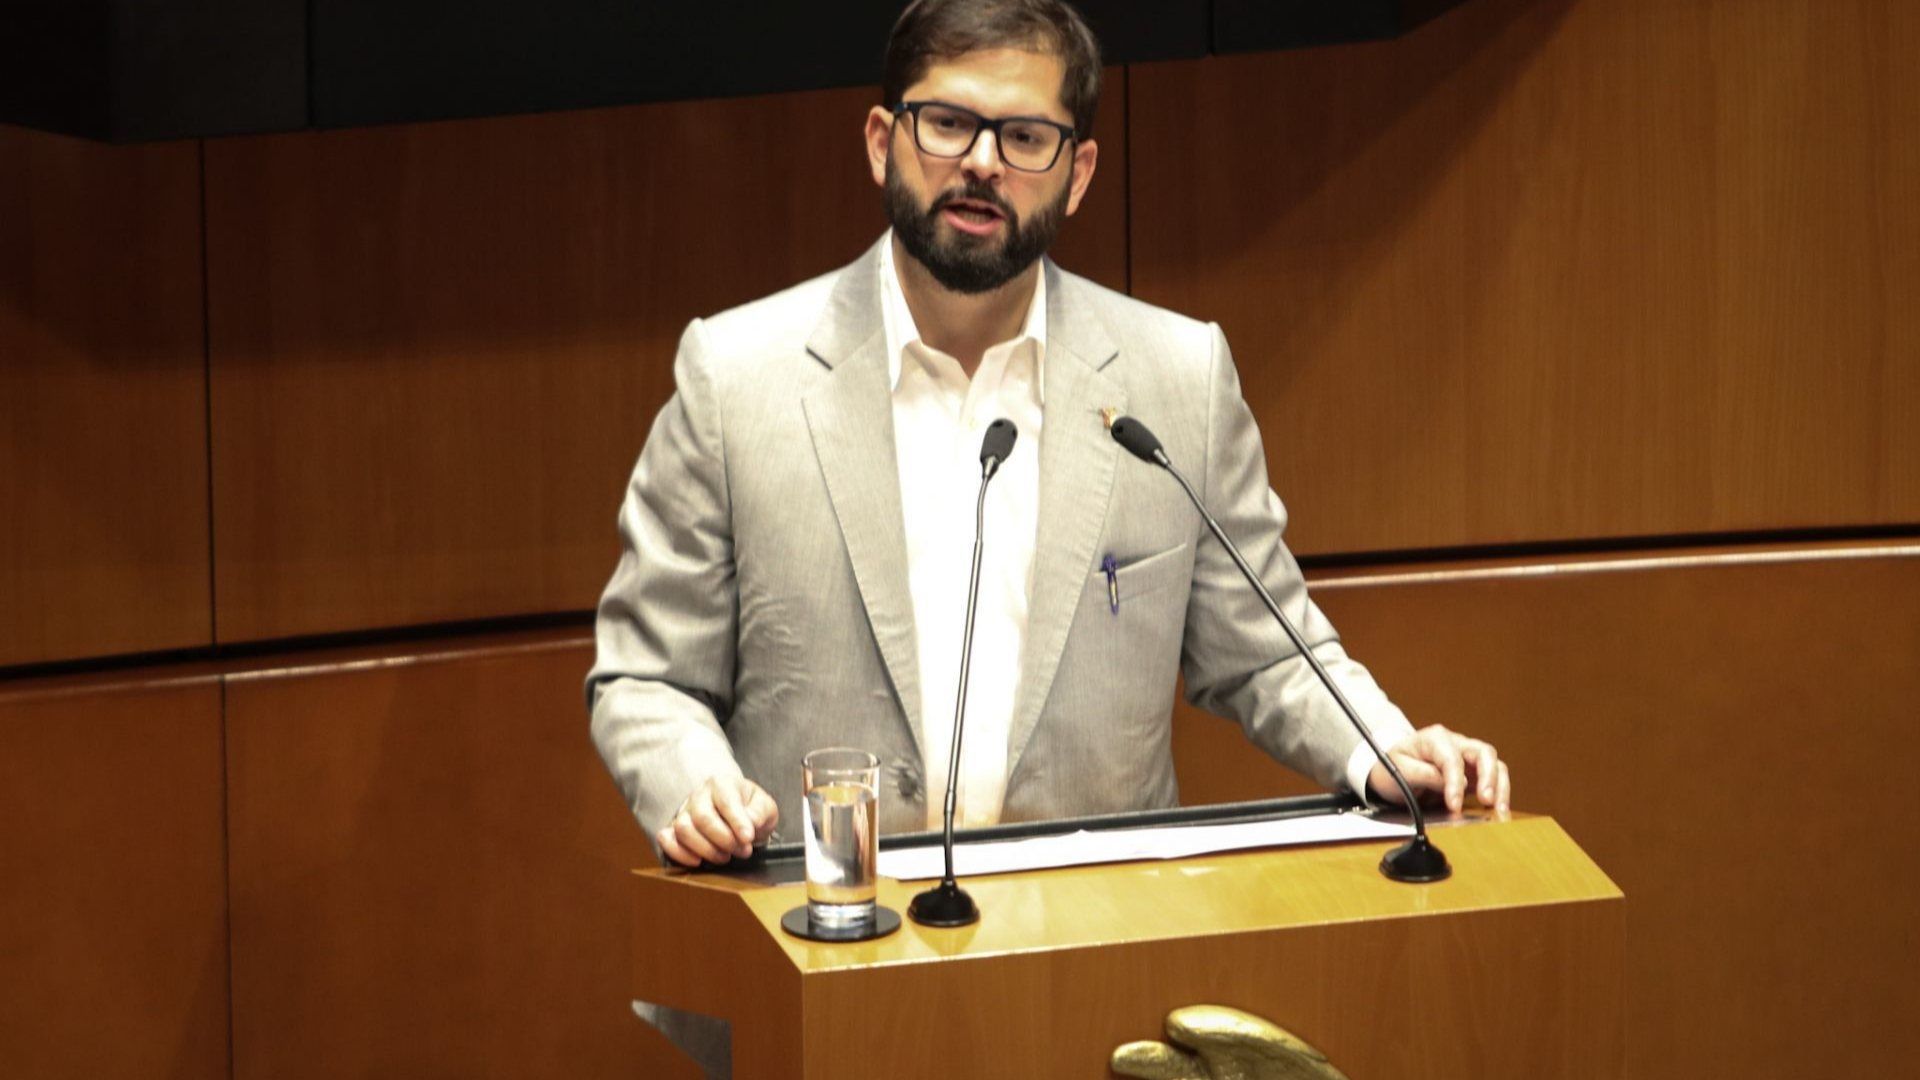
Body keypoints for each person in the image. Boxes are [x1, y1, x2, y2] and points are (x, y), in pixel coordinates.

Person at [588, 0, 1510, 876]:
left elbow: (1266, 651)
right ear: (881, 143)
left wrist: (1382, 747)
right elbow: (648, 677)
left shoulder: (1175, 379)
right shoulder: (737, 377)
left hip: (1088, 955)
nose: (982, 163)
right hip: (821, 936)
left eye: (1026, 138)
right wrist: (695, 787)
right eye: (947, 123)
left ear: (1080, 175)